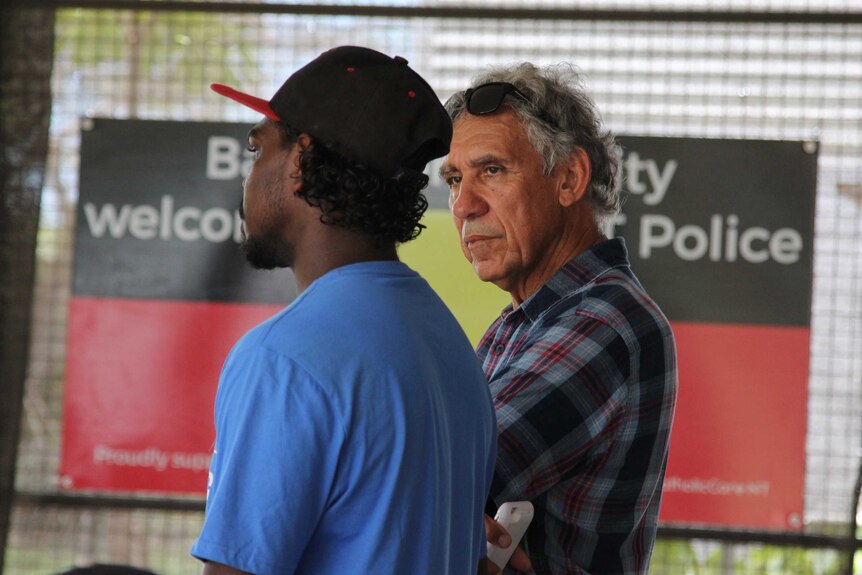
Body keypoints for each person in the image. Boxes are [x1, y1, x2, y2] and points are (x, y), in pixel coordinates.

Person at [191, 46, 497, 575]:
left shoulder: (285, 359)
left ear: (300, 163)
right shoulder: (452, 351)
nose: (247, 177)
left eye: (256, 149)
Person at [441, 64, 678, 575]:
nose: (463, 205)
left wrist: (433, 503)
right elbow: (429, 496)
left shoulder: (607, 319)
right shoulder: (523, 321)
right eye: (455, 179)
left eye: (492, 171)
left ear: (569, 178)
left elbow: (447, 478)